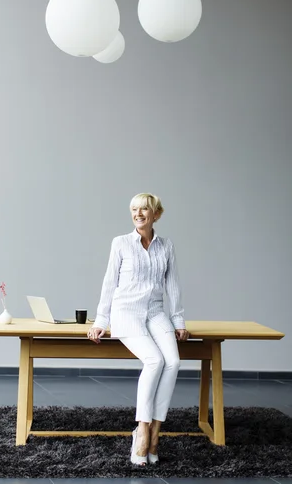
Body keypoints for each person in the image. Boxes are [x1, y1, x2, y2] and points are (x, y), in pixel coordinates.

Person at [87, 193, 189, 466]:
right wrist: (100, 321)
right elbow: (109, 284)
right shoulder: (120, 244)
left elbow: (173, 286)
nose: (138, 213)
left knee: (174, 361)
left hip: (155, 312)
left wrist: (178, 321)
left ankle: (157, 427)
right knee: (155, 360)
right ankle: (143, 429)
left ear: (157, 214)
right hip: (127, 313)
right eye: (134, 209)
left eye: (144, 209)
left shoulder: (166, 246)